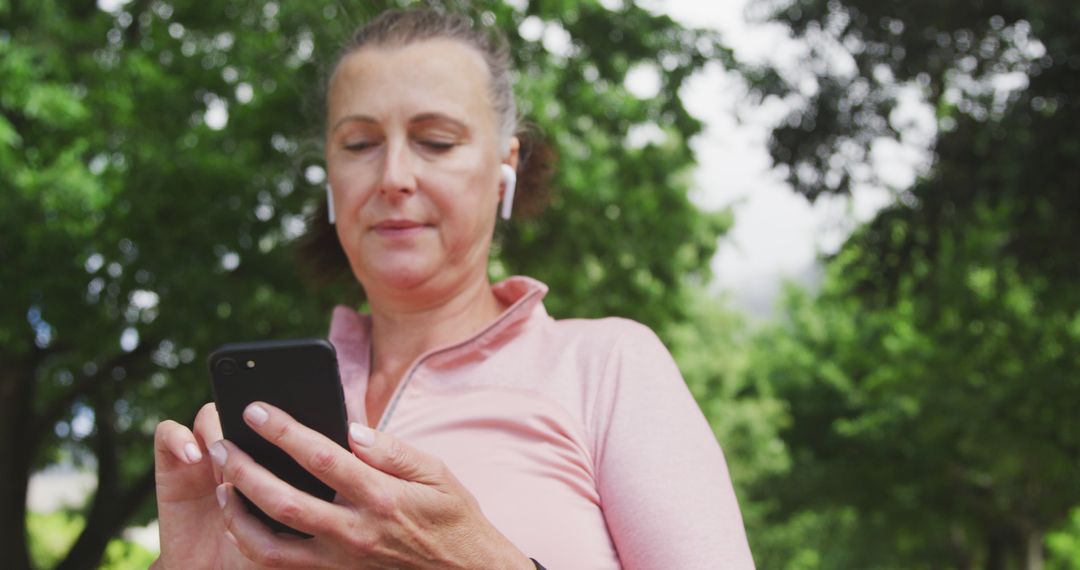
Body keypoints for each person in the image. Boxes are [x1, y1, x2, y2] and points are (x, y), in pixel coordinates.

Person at [152, 8, 754, 569]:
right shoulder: (269, 415)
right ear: (331, 179)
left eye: (435, 141)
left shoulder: (607, 366)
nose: (392, 177)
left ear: (503, 170)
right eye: (359, 145)